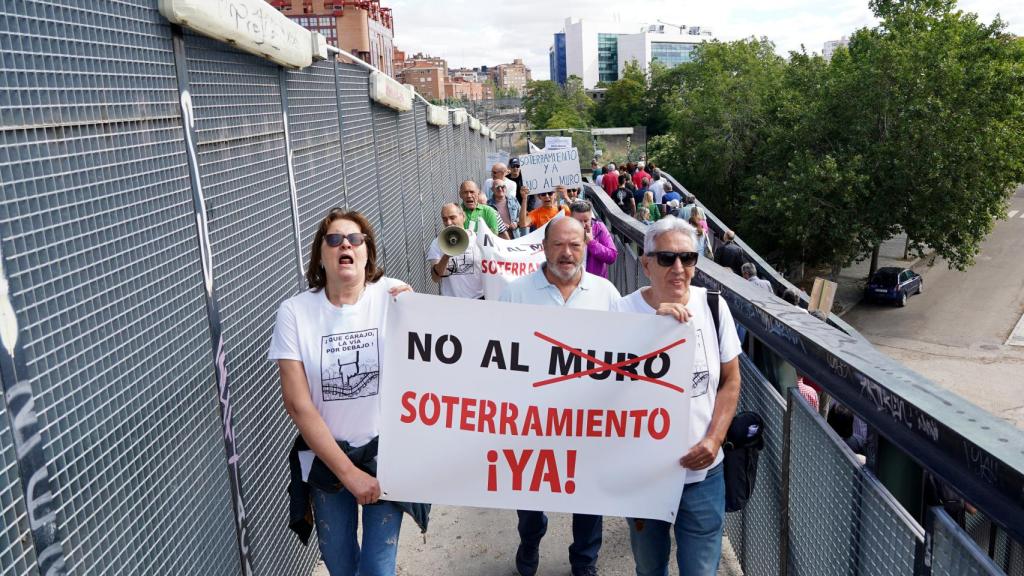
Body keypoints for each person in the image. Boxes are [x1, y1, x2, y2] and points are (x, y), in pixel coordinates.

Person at [269, 209, 416, 576]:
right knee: (341, 565)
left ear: (368, 252)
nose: (344, 245)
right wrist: (348, 473)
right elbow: (298, 405)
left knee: (378, 567)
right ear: (321, 255)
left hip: (386, 453)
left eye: (354, 239)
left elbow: (428, 366)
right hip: (328, 459)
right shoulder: (295, 312)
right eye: (334, 240)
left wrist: (420, 316)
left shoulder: (393, 296)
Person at [612, 216, 741, 576]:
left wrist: (714, 439)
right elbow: (603, 391)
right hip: (643, 476)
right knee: (649, 567)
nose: (679, 268)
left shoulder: (715, 307)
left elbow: (730, 380)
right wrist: (651, 330)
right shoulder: (620, 313)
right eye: (667, 258)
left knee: (701, 570)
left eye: (689, 258)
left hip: (703, 475)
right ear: (646, 263)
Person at [500, 217, 621, 576]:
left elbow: (626, 352)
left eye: (575, 245)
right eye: (559, 245)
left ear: (586, 246)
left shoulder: (605, 294)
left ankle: (585, 562)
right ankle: (531, 538)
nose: (567, 253)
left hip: (587, 420)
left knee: (589, 497)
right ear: (543, 246)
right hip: (532, 421)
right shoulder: (515, 293)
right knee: (530, 498)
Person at [427, 203, 484, 299]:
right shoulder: (437, 243)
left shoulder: (478, 239)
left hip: (478, 298)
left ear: (463, 217)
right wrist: (447, 254)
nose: (448, 222)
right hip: (452, 301)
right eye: (444, 219)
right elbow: (435, 278)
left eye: (452, 217)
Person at [569, 200, 617, 279]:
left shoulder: (599, 228)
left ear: (591, 218)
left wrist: (592, 243)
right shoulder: (564, 230)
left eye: (586, 220)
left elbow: (612, 257)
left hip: (595, 282)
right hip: (571, 282)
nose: (583, 225)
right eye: (578, 221)